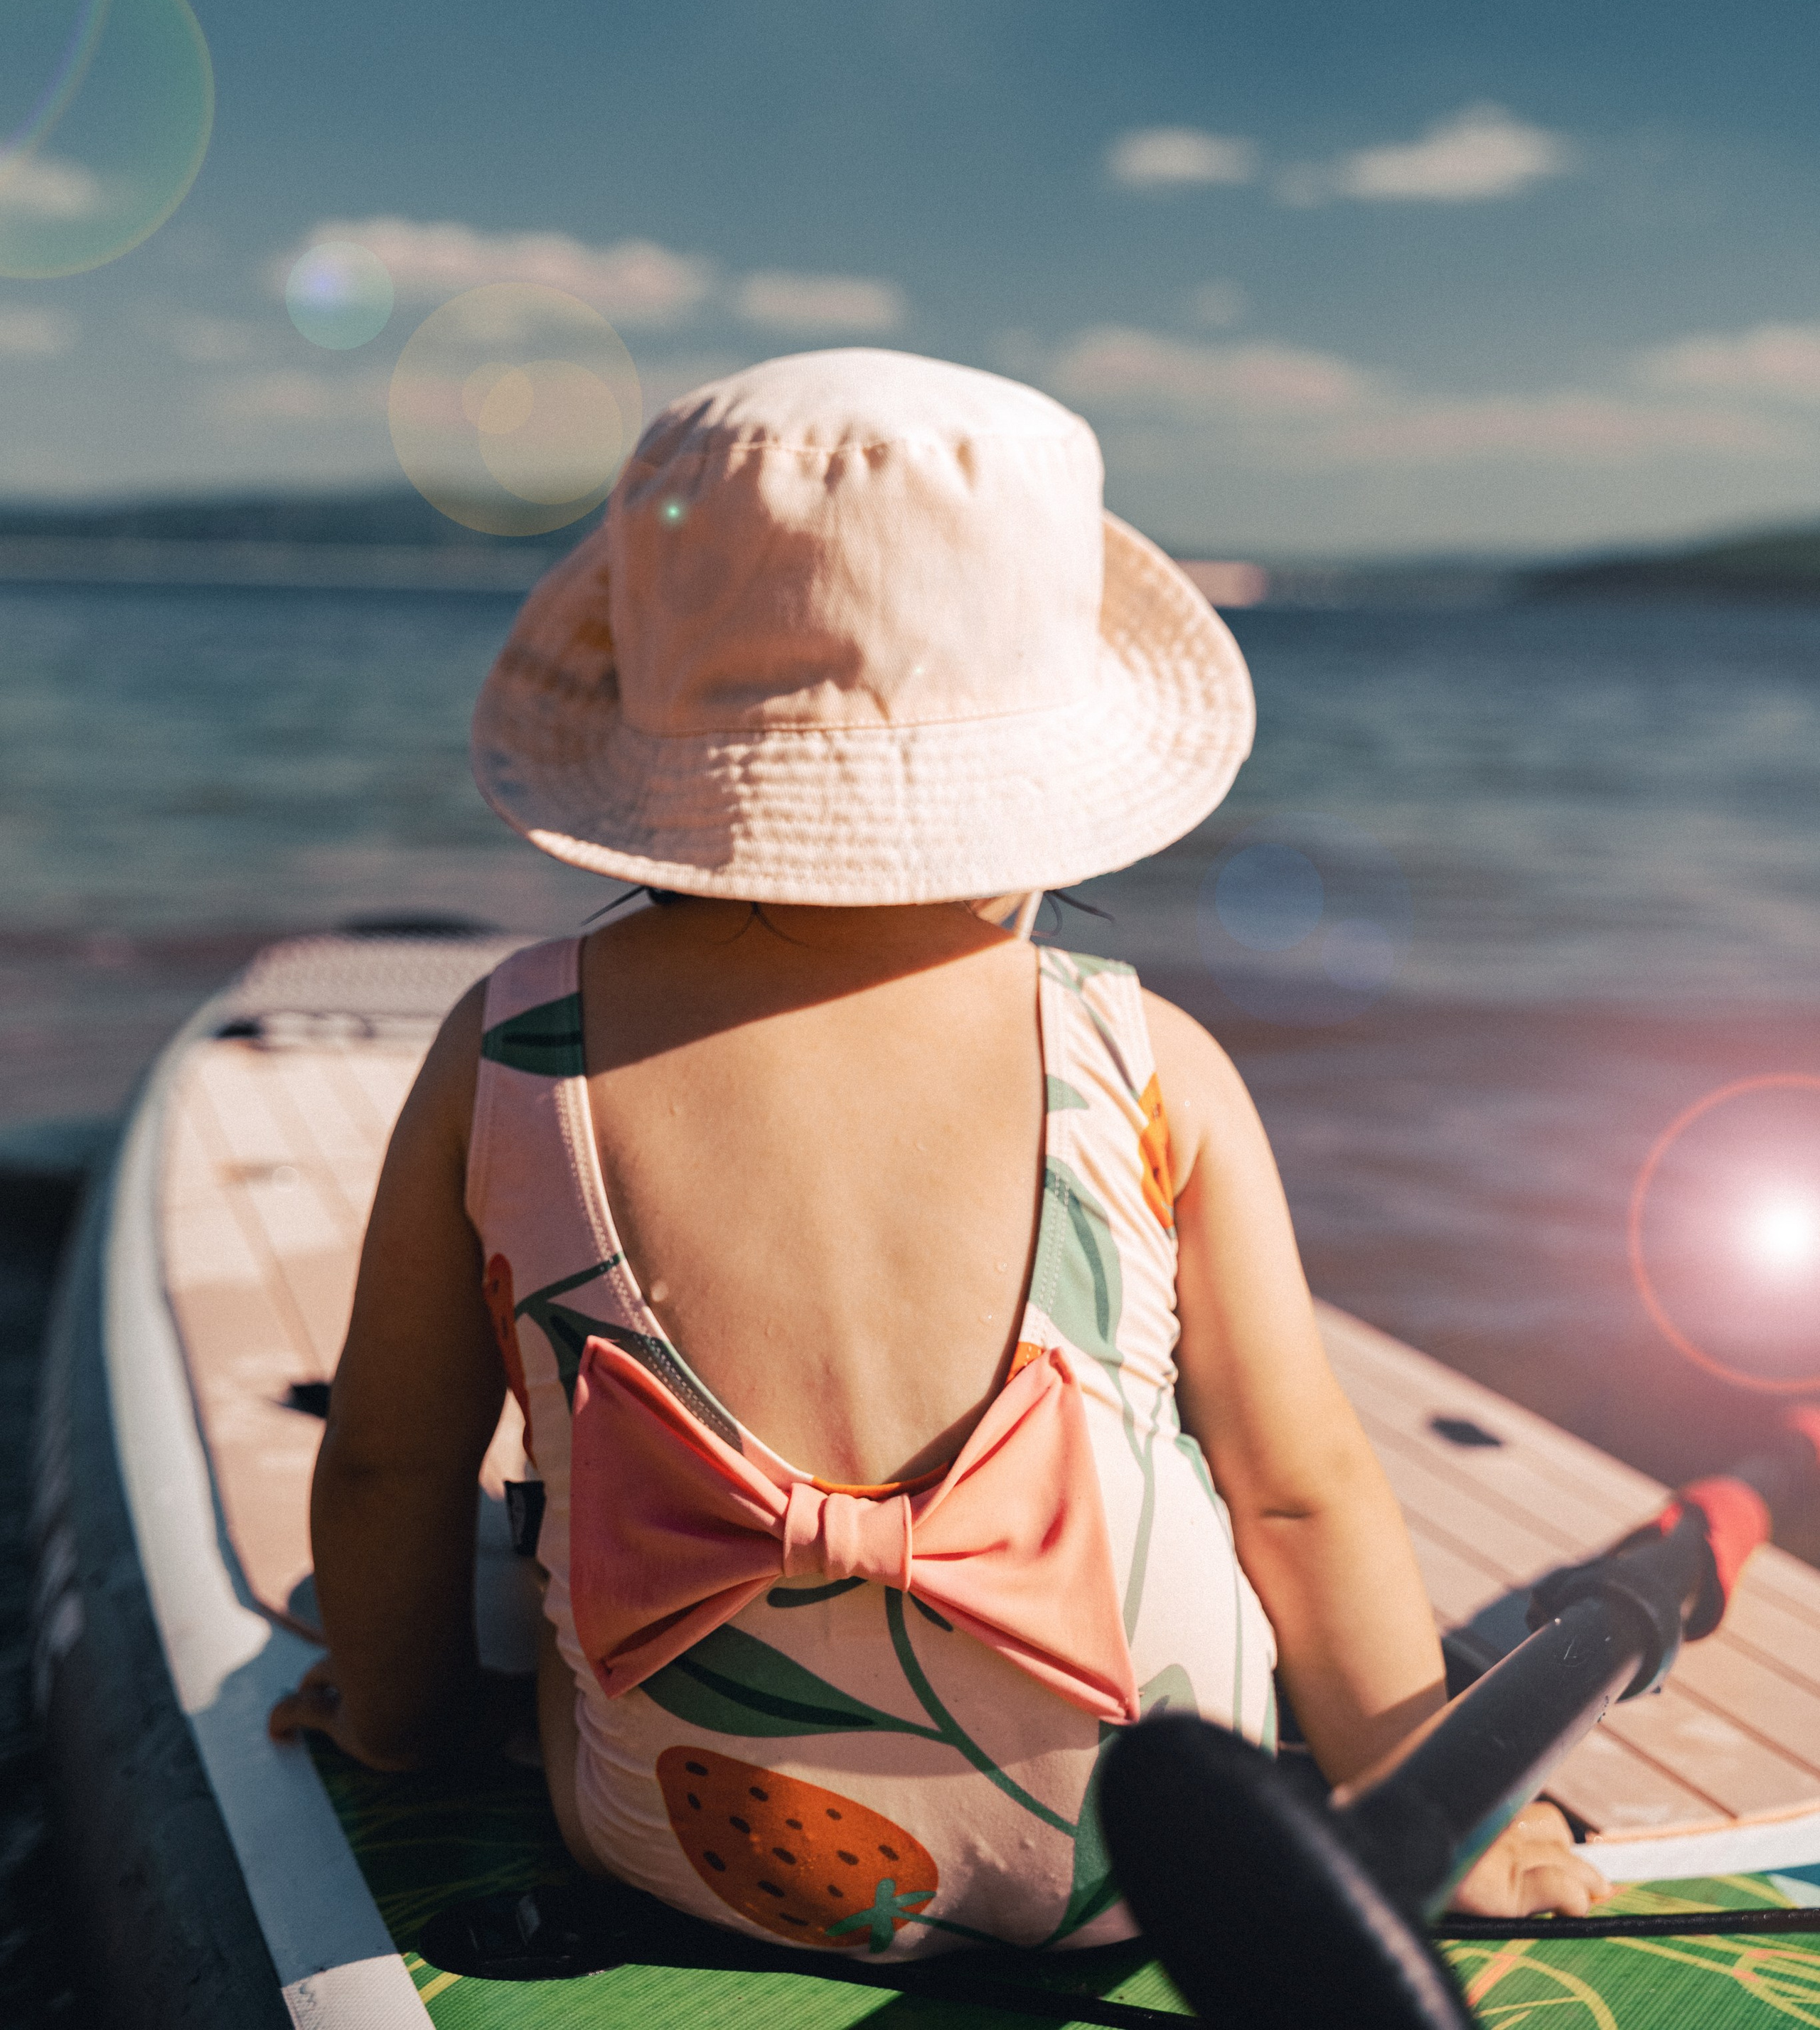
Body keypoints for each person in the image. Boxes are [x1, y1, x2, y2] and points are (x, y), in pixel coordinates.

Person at [271, 348, 1605, 1951]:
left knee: (522, 1594)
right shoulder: (1144, 1055)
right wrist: (1434, 1808)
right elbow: (1301, 1494)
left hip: (685, 1842)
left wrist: (399, 1727)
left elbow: (389, 1464)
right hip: (1163, 1834)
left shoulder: (506, 1044)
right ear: (1050, 768)